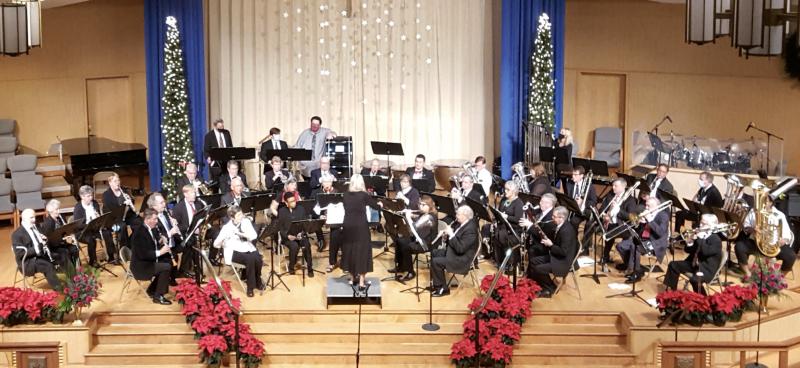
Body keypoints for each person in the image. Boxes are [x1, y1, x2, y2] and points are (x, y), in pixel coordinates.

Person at [735, 195, 796, 277]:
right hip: (756, 243)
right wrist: (753, 230)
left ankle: (779, 278)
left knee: (791, 256)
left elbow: (787, 233)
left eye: (765, 201)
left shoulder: (780, 215)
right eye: (761, 201)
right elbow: (746, 226)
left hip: (774, 245)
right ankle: (748, 273)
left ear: (771, 203)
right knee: (739, 247)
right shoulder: (753, 211)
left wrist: (783, 240)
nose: (762, 204)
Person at [341, 174, 383, 291]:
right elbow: (375, 206)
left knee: (349, 250)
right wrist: (380, 204)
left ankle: (352, 278)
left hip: (348, 225)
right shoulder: (364, 195)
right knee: (362, 251)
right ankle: (361, 282)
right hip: (361, 226)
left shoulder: (345, 195)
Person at [526, 206, 578, 298]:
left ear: (561, 218)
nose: (552, 218)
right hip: (557, 257)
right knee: (533, 261)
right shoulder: (562, 225)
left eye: (554, 216)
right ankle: (543, 284)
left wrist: (550, 245)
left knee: (538, 269)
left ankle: (550, 288)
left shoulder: (566, 231)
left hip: (563, 262)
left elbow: (563, 252)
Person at [664, 214, 723, 294]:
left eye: (703, 224)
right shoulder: (701, 235)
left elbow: (705, 252)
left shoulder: (716, 239)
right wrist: (690, 243)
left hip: (706, 268)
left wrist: (699, 239)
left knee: (695, 280)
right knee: (673, 265)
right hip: (694, 264)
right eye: (701, 223)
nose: (700, 225)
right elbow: (688, 251)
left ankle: (703, 298)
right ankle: (672, 292)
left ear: (711, 226)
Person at [616, 197, 669, 283]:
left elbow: (660, 232)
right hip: (642, 239)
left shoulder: (663, 216)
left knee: (635, 247)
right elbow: (638, 230)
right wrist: (639, 223)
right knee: (620, 246)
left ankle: (636, 273)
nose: (646, 208)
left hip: (655, 242)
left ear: (656, 206)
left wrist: (650, 220)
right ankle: (632, 266)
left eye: (648, 206)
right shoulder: (647, 213)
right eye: (646, 205)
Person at [214, 205, 264, 297]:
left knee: (258, 257)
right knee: (250, 259)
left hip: (247, 247)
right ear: (232, 217)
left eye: (241, 214)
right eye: (238, 215)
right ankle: (250, 287)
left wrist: (242, 234)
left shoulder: (246, 222)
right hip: (233, 252)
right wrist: (224, 243)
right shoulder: (226, 228)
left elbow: (254, 236)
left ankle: (258, 280)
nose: (241, 216)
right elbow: (216, 244)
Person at [430, 206, 479, 297]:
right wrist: (446, 237)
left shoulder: (471, 229)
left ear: (465, 216)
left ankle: (442, 288)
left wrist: (451, 234)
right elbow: (455, 241)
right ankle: (436, 283)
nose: (456, 216)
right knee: (434, 252)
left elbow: (460, 249)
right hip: (454, 253)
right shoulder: (460, 224)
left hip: (462, 259)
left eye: (458, 214)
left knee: (436, 262)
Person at [130, 208, 173, 305]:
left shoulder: (151, 229)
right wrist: (160, 252)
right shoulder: (139, 233)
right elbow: (143, 254)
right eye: (155, 219)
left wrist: (160, 241)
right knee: (166, 267)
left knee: (167, 261)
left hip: (147, 262)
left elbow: (151, 245)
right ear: (147, 219)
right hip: (141, 267)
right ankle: (158, 296)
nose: (157, 221)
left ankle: (152, 290)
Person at [390, 195, 438, 281]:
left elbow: (414, 228)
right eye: (420, 204)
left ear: (429, 206)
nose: (420, 206)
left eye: (423, 205)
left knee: (406, 247)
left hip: (426, 243)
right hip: (419, 238)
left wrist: (408, 217)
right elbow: (417, 218)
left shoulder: (429, 217)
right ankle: (401, 266)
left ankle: (411, 272)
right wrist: (408, 214)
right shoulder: (424, 213)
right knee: (399, 241)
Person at [12, 209, 62, 290]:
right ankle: (60, 290)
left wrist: (45, 239)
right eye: (31, 218)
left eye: (34, 217)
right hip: (28, 261)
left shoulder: (36, 226)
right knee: (47, 265)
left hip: (42, 255)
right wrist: (37, 248)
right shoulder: (17, 234)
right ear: (24, 218)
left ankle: (73, 280)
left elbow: (44, 240)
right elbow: (19, 253)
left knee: (62, 254)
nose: (34, 220)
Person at [73, 185, 117, 266]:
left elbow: (99, 217)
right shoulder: (78, 208)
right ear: (82, 196)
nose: (91, 197)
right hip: (83, 232)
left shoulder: (95, 203)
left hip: (95, 228)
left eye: (91, 195)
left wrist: (98, 218)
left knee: (107, 233)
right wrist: (89, 224)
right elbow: (78, 225)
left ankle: (111, 257)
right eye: (88, 196)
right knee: (91, 239)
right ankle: (93, 261)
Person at [599, 178, 638, 267]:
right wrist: (604, 215)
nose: (613, 187)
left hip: (623, 226)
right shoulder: (610, 195)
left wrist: (619, 210)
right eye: (613, 185)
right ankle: (605, 256)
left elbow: (631, 217)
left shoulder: (630, 200)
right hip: (609, 223)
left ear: (623, 187)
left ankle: (626, 262)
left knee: (610, 233)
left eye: (615, 186)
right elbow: (602, 209)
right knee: (607, 230)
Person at [147, 193, 182, 282]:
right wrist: (170, 233)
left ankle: (177, 275)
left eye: (164, 202)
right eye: (161, 203)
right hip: (161, 249)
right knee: (170, 262)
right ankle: (166, 280)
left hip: (172, 244)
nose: (164, 204)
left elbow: (169, 226)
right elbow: (157, 239)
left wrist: (174, 223)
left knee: (188, 245)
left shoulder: (165, 213)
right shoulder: (151, 219)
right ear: (154, 206)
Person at [173, 184, 206, 278]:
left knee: (213, 233)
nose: (194, 195)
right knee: (191, 242)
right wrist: (191, 229)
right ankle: (185, 270)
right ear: (185, 194)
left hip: (197, 231)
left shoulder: (198, 204)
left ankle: (196, 268)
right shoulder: (178, 207)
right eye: (192, 193)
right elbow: (177, 226)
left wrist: (201, 227)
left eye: (195, 192)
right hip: (183, 234)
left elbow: (201, 218)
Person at [489, 181, 524, 267]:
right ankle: (499, 261)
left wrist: (507, 217)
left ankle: (509, 264)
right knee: (492, 231)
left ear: (514, 191)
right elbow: (499, 213)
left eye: (508, 190)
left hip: (513, 229)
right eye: (505, 189)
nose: (505, 191)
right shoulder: (504, 200)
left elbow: (518, 219)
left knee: (500, 235)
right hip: (503, 226)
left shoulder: (519, 203)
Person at [278, 192, 313, 277]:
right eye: (291, 201)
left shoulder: (301, 209)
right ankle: (291, 267)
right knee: (294, 246)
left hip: (300, 234)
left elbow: (305, 224)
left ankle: (310, 268)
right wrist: (287, 236)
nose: (294, 203)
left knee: (307, 245)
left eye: (294, 200)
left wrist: (302, 233)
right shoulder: (282, 211)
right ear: (286, 203)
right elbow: (280, 228)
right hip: (288, 237)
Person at [40, 199, 79, 269]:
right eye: (56, 210)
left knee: (74, 248)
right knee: (65, 251)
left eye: (59, 209)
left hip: (61, 242)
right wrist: (64, 240)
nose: (58, 211)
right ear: (51, 211)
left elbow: (65, 230)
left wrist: (70, 236)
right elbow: (49, 240)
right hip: (53, 247)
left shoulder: (61, 217)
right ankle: (70, 272)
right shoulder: (48, 223)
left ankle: (77, 269)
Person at [520, 193, 558, 260]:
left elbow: (543, 235)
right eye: (541, 201)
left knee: (532, 250)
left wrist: (529, 225)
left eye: (543, 202)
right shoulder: (541, 211)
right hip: (535, 240)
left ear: (550, 204)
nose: (540, 203)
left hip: (544, 246)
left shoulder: (551, 217)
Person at [102, 173, 135, 249]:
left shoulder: (125, 190)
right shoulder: (106, 195)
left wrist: (130, 200)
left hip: (127, 215)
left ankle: (131, 243)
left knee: (139, 223)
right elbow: (112, 210)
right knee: (122, 226)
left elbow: (133, 201)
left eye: (118, 180)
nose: (118, 183)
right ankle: (124, 248)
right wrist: (123, 205)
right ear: (110, 183)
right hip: (114, 218)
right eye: (115, 181)